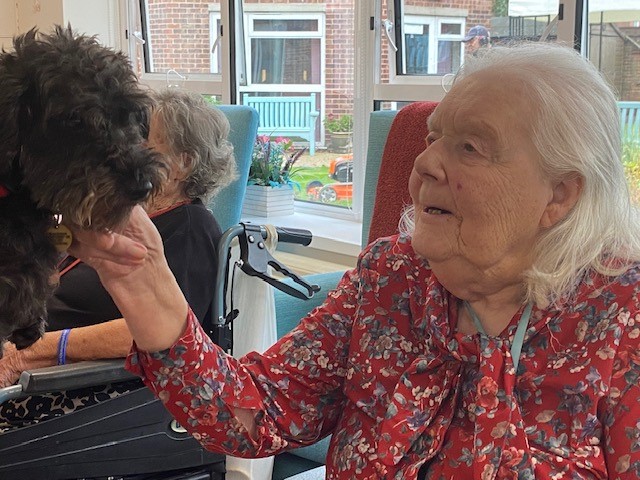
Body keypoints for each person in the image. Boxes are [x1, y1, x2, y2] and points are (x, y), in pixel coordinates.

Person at [68, 42, 640, 479]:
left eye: (470, 146)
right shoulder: (391, 280)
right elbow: (252, 413)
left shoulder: (622, 317)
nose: (427, 164)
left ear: (559, 193)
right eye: (434, 138)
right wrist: (143, 279)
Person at [0, 88, 235, 430]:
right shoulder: (124, 219)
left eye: (140, 138)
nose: (123, 149)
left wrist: (32, 352)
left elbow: (161, 335)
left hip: (78, 389)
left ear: (182, 163)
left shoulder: (190, 227)